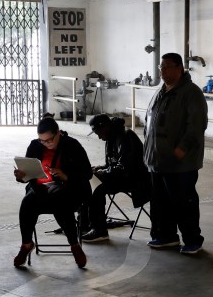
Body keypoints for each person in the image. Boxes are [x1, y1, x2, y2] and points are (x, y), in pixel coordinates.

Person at [143, 53, 208, 254]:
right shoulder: (160, 92)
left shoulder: (191, 93)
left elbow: (196, 126)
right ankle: (165, 236)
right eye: (160, 67)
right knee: (160, 202)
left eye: (167, 67)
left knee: (183, 202)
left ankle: (192, 240)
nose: (162, 71)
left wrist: (181, 150)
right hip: (157, 160)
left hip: (180, 163)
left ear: (179, 68)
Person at [13, 117, 91, 268]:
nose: (46, 143)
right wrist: (22, 177)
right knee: (27, 203)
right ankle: (27, 244)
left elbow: (87, 173)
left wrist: (66, 175)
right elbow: (29, 175)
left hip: (69, 190)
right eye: (42, 140)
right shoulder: (35, 146)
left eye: (49, 139)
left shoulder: (72, 145)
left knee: (60, 202)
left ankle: (74, 244)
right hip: (41, 189)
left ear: (59, 133)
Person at [82, 114, 151, 243]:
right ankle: (86, 225)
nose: (99, 136)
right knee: (88, 181)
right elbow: (112, 164)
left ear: (106, 127)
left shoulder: (126, 137)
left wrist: (104, 172)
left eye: (99, 132)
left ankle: (100, 230)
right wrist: (99, 168)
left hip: (135, 179)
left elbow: (126, 168)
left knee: (97, 188)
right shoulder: (110, 137)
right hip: (120, 176)